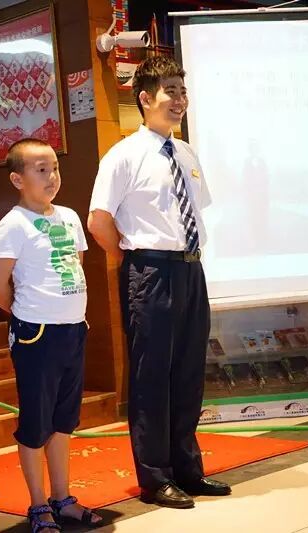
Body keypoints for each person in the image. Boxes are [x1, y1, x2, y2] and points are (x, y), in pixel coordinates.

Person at [87, 56, 231, 509]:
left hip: (191, 269)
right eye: (170, 91)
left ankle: (188, 470)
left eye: (182, 91)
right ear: (146, 98)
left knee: (188, 373)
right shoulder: (124, 154)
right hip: (150, 271)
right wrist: (132, 260)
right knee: (151, 377)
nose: (179, 100)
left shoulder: (185, 152)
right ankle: (155, 477)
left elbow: (195, 212)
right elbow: (98, 221)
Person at [0, 138, 102, 533]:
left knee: (64, 420)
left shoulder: (69, 216)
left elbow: (75, 266)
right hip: (37, 333)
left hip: (73, 328)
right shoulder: (13, 225)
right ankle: (38, 505)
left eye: (55, 167)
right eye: (41, 170)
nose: (52, 176)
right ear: (18, 179)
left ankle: (62, 497)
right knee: (36, 422)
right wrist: (28, 315)